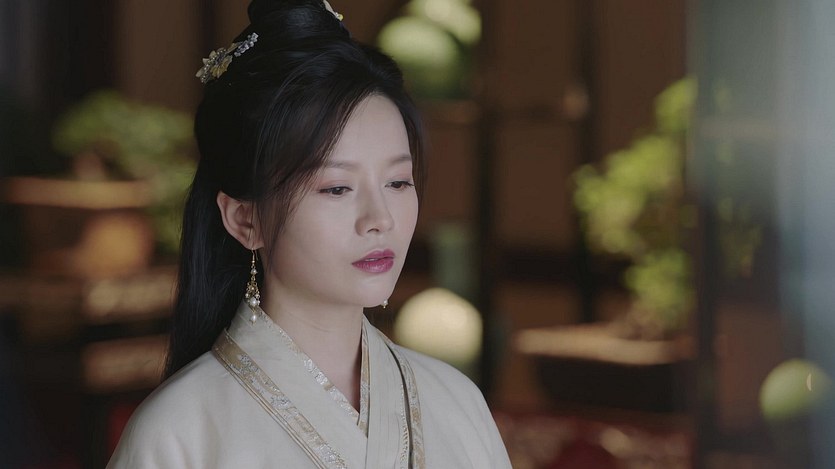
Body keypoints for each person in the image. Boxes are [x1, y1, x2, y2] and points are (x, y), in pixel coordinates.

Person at [107, 1, 511, 467]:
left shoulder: (457, 401)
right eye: (337, 188)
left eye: (398, 182)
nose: (379, 218)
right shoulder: (177, 432)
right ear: (245, 220)